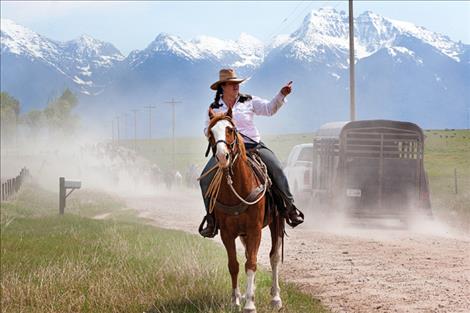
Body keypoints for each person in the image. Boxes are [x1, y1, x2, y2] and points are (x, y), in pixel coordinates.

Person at [199, 68, 304, 238]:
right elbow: (206, 129)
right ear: (222, 86)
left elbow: (269, 109)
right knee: (205, 178)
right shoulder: (214, 108)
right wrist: (216, 131)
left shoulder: (249, 101)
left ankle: (290, 208)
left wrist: (281, 95)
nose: (236, 87)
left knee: (277, 168)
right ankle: (211, 220)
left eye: (237, 84)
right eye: (232, 84)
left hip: (253, 146)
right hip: (227, 149)